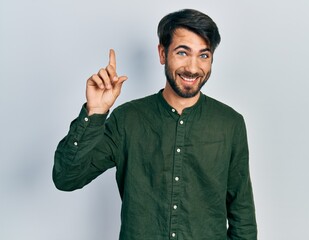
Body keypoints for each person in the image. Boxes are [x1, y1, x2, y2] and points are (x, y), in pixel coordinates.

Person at [53, 8, 257, 240]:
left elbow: (243, 217)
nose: (193, 67)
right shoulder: (127, 119)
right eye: (182, 53)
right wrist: (95, 112)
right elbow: (66, 178)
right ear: (162, 53)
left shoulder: (230, 124)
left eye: (203, 55)